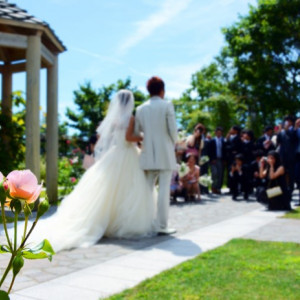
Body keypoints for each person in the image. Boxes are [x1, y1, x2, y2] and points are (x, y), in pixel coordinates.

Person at [19, 90, 157, 252]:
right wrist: (143, 136)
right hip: (127, 153)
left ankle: (107, 221)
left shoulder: (114, 119)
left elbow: (109, 138)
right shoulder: (130, 118)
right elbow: (128, 138)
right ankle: (119, 223)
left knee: (109, 190)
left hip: (115, 154)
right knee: (129, 189)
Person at [135, 76, 177, 235]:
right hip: (165, 152)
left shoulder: (140, 108)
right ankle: (162, 225)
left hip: (147, 152)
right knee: (164, 190)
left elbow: (138, 132)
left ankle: (145, 222)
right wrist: (173, 143)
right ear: (162, 90)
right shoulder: (167, 105)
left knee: (147, 189)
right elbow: (173, 130)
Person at [208, 127, 226, 194]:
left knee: (220, 174)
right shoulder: (212, 141)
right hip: (214, 160)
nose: (219, 133)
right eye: (217, 132)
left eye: (220, 132)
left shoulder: (223, 140)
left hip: (221, 159)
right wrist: (212, 159)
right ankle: (213, 187)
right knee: (214, 173)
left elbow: (225, 151)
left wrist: (224, 160)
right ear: (215, 133)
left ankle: (218, 188)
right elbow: (209, 151)